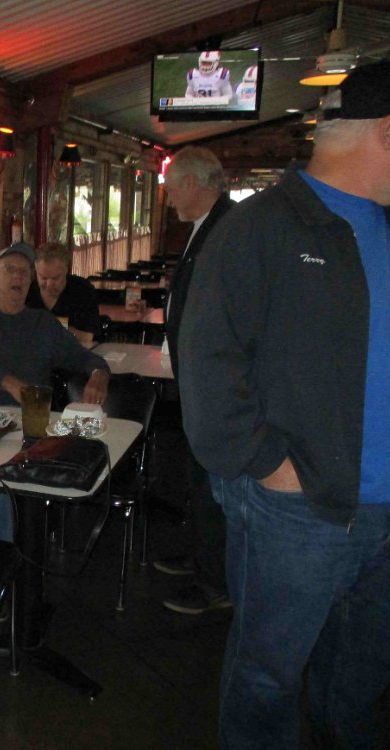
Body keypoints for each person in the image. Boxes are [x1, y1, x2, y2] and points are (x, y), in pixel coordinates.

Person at [178, 60, 390, 748]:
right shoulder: (260, 226)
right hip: (304, 505)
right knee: (268, 678)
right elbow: (205, 360)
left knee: (365, 674)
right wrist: (267, 464)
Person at [153, 146, 236, 616]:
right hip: (199, 380)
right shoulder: (209, 225)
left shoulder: (229, 228)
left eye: (170, 190)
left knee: (212, 484)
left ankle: (215, 583)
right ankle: (201, 559)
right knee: (199, 480)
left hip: (216, 384)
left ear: (191, 183)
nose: (168, 201)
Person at [0, 241, 109, 407]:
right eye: (10, 269)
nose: (18, 275)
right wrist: (12, 384)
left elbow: (83, 357)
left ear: (29, 282)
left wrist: (99, 374)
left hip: (27, 417)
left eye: (24, 271)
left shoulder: (44, 323)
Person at [25, 242, 102, 347]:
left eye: (55, 278)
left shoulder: (82, 290)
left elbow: (88, 336)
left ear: (66, 270)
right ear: (36, 271)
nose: (49, 284)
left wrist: (50, 326)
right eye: (43, 278)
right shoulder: (26, 291)